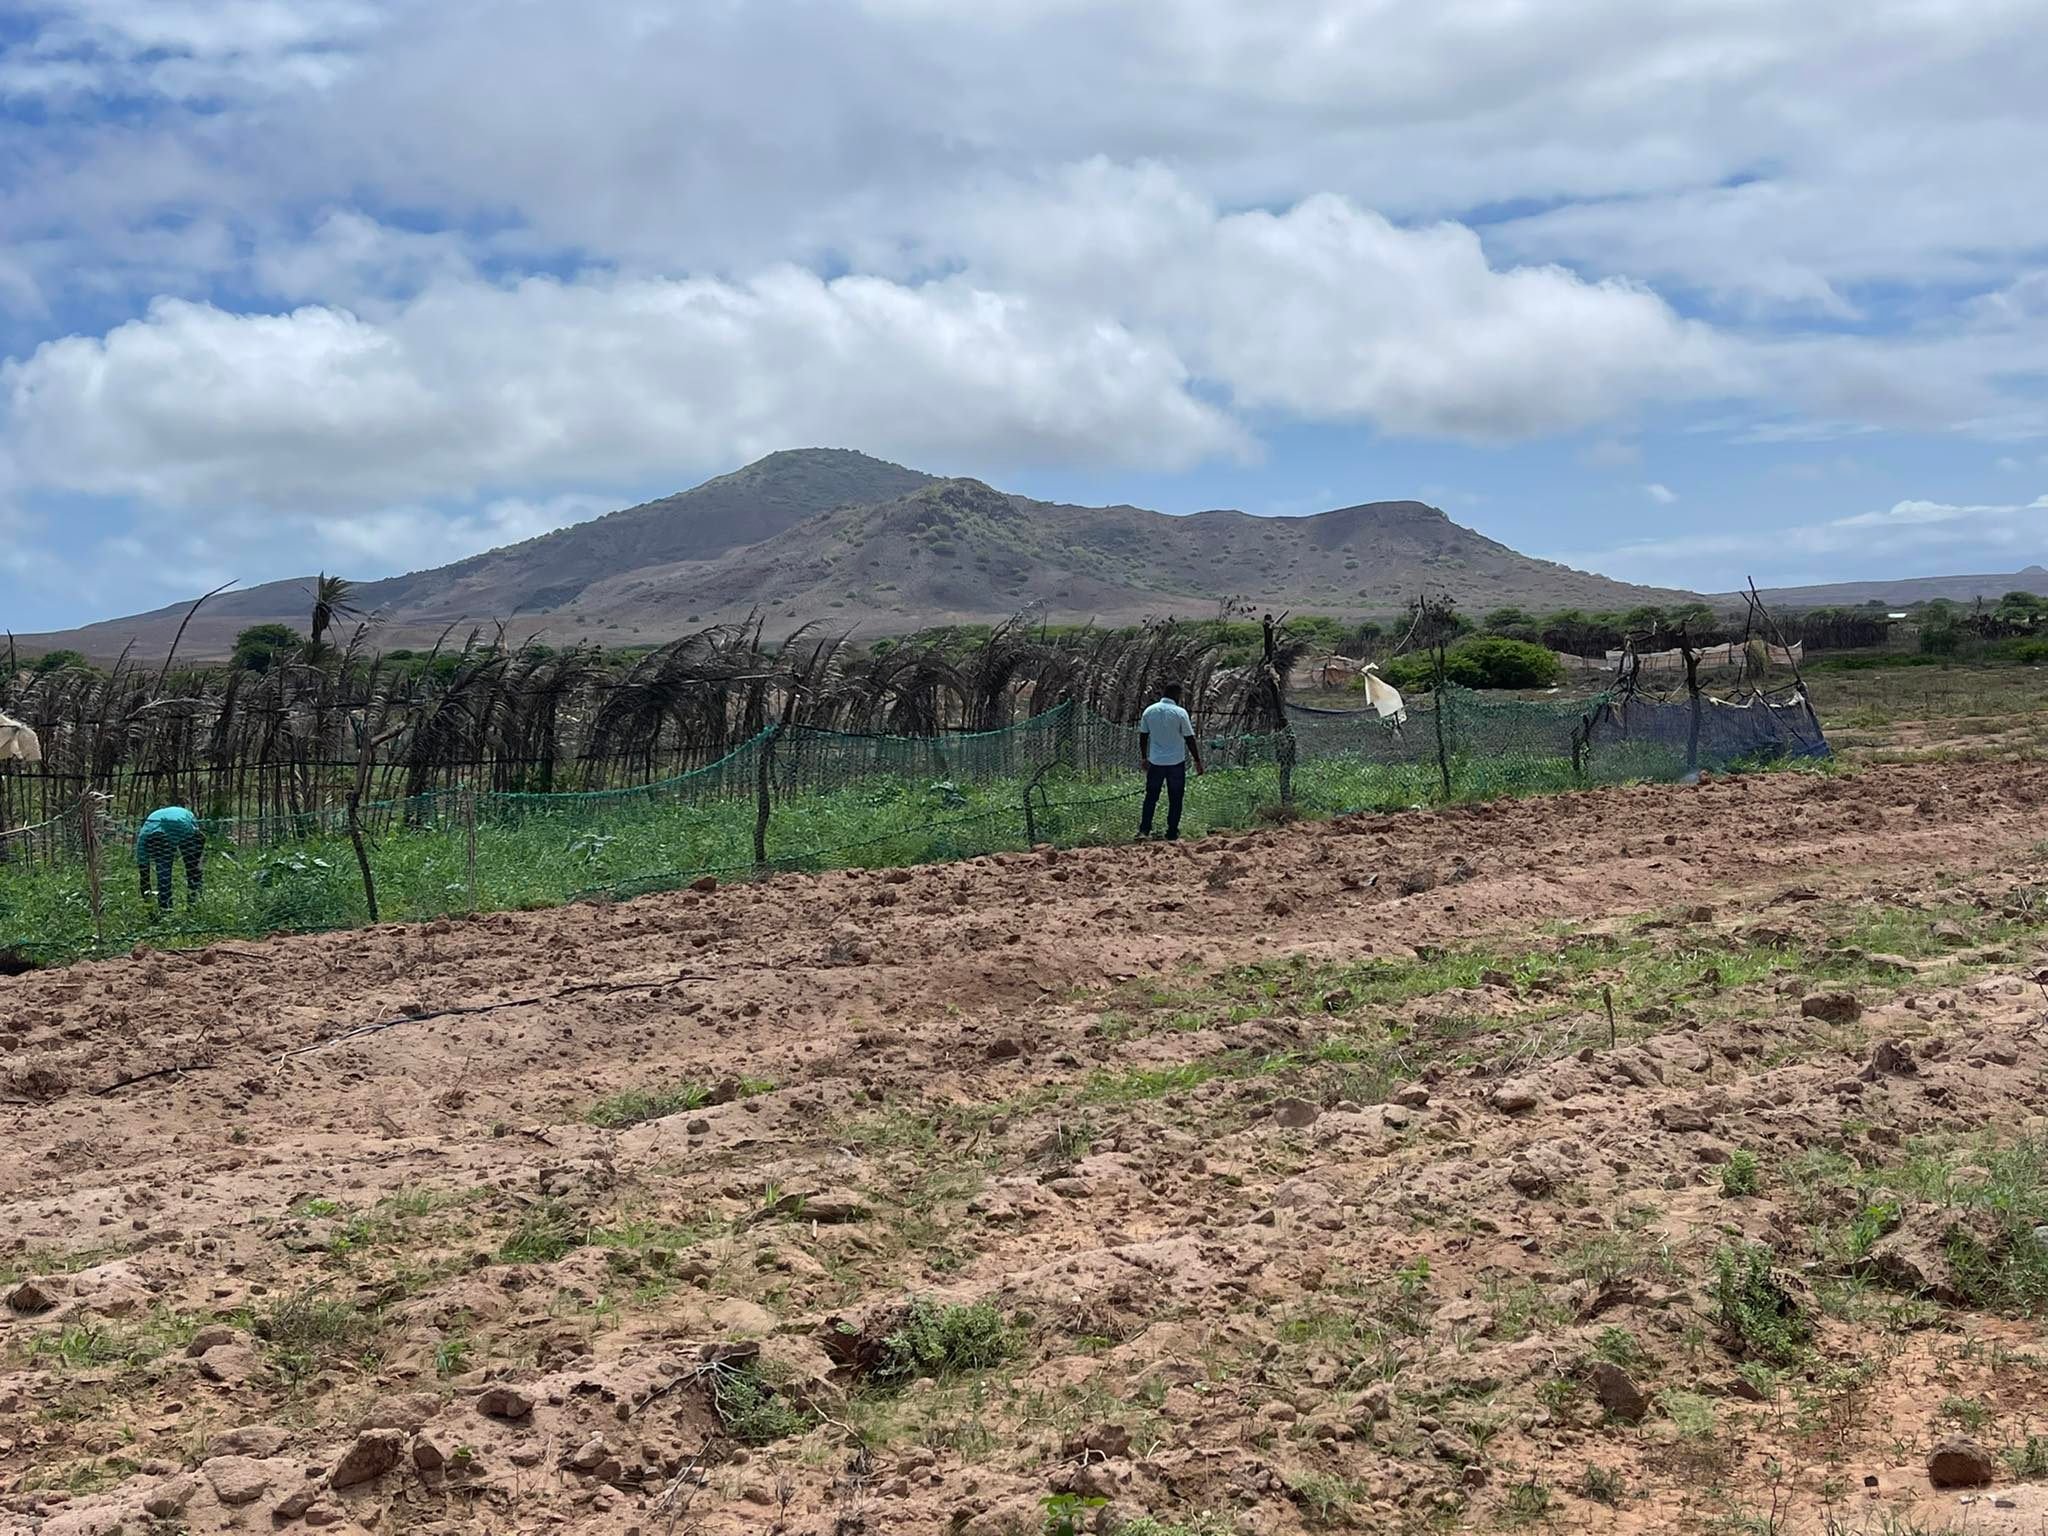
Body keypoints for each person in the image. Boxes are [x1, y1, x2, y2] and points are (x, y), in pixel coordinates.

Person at [1137, 683, 1204, 841]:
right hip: (1176, 762)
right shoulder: (1180, 713)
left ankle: (1144, 830)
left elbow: (1143, 736)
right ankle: (1172, 831)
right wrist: (1197, 761)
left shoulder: (1149, 711)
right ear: (1177, 695)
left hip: (1156, 762)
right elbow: (1189, 738)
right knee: (1175, 798)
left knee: (1151, 797)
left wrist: (1144, 757)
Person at [136, 804, 206, 912]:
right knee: (166, 871)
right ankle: (168, 908)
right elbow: (144, 875)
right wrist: (148, 904)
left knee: (191, 868)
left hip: (183, 823)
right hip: (167, 822)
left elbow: (144, 876)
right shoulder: (143, 841)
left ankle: (190, 904)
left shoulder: (182, 827)